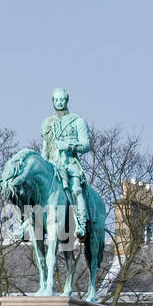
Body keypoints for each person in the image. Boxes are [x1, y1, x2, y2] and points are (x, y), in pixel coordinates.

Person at [41, 88, 92, 239]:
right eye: (57, 100)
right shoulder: (48, 123)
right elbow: (45, 148)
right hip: (52, 165)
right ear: (53, 101)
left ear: (67, 100)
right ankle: (28, 224)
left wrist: (69, 146)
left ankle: (82, 224)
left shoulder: (78, 121)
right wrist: (43, 164)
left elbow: (86, 145)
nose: (59, 102)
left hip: (70, 164)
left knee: (76, 189)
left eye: (62, 99)